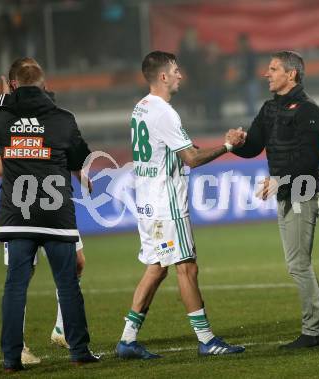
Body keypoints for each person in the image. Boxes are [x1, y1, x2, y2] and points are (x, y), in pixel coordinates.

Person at [115, 51, 246, 359]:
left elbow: (174, 149)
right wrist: (228, 146)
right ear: (162, 76)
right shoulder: (164, 112)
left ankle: (127, 340)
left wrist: (208, 145)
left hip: (146, 202)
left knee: (157, 267)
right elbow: (192, 159)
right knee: (186, 267)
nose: (180, 75)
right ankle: (206, 339)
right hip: (166, 203)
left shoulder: (141, 108)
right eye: (175, 70)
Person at [0, 63, 99, 372]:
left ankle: (11, 359)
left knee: (15, 287)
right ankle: (79, 351)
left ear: (13, 87)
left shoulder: (2, 119)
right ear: (45, 85)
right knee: (67, 284)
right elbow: (81, 159)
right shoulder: (63, 120)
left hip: (16, 216)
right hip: (55, 216)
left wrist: (5, 97)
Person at [231, 51, 319, 349]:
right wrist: (233, 144)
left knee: (298, 264)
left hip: (303, 189)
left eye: (273, 69)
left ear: (292, 75)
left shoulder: (309, 110)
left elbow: (308, 158)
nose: (267, 73)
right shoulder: (269, 109)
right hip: (288, 190)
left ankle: (313, 331)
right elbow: (253, 146)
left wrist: (279, 179)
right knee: (299, 262)